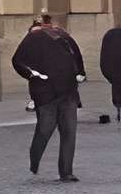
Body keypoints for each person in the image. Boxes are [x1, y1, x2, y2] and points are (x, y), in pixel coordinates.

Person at [12, 11, 85, 182]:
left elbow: (76, 56)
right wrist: (33, 75)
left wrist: (79, 73)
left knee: (67, 131)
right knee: (48, 129)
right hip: (47, 92)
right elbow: (18, 61)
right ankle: (35, 159)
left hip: (65, 90)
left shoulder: (62, 36)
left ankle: (66, 172)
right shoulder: (34, 38)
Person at [99, 17, 121, 125]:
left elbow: (104, 57)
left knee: (117, 91)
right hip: (114, 72)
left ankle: (118, 110)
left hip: (115, 74)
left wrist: (108, 74)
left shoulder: (110, 35)